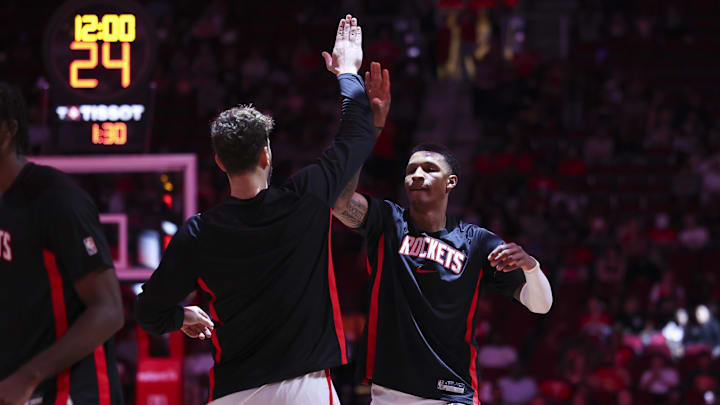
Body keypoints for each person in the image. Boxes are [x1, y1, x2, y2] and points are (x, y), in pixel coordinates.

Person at [135, 15, 391, 404]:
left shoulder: (199, 233)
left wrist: (181, 317)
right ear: (266, 155)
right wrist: (347, 70)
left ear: (219, 162)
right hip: (305, 389)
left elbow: (148, 313)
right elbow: (357, 131)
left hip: (235, 395)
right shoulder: (306, 197)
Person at [332, 144, 553, 404]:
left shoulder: (477, 242)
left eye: (429, 169)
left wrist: (531, 267)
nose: (417, 175)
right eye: (411, 170)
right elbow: (338, 201)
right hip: (389, 393)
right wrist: (365, 136)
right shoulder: (388, 222)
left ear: (451, 182)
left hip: (453, 394)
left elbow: (540, 305)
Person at [0, 83, 125, 404]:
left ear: (7, 132)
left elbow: (110, 310)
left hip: (69, 393)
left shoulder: (55, 198)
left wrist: (29, 376)